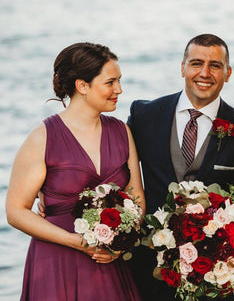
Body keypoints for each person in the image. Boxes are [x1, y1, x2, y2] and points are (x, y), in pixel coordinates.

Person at [127, 34, 234, 301]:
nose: (205, 73)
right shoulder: (145, 115)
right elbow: (118, 170)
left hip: (214, 280)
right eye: (196, 63)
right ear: (182, 68)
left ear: (228, 73)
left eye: (215, 65)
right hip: (147, 271)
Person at [6, 42, 145, 300]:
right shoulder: (42, 138)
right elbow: (15, 211)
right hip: (56, 263)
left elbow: (136, 198)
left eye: (119, 81)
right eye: (110, 82)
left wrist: (119, 244)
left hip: (108, 263)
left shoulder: (122, 132)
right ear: (83, 86)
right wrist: (75, 242)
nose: (119, 90)